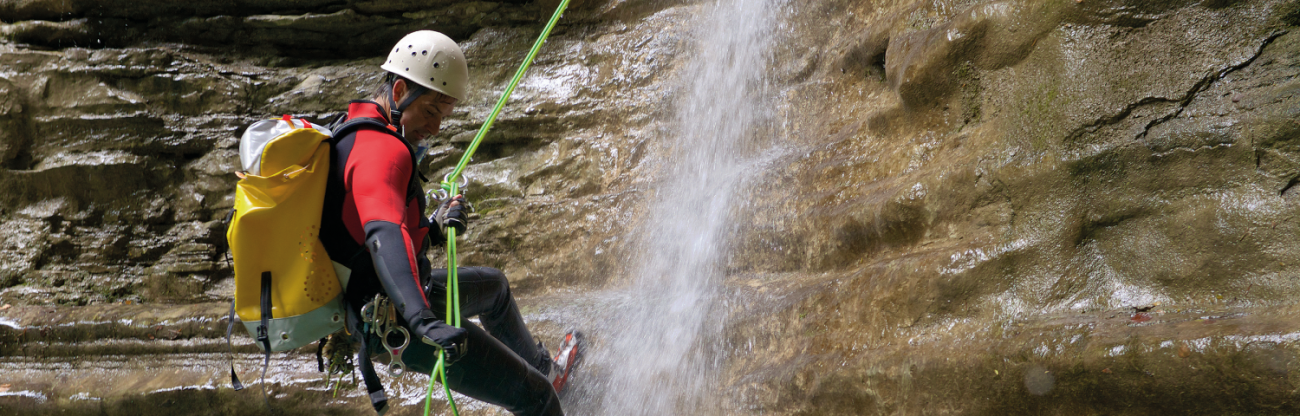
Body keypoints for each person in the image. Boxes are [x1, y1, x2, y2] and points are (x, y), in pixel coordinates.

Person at [317, 30, 579, 416]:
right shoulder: (383, 150)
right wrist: (423, 322)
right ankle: (545, 387)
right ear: (401, 89)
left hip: (389, 295)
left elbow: (362, 225)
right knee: (537, 400)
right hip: (393, 318)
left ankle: (546, 370)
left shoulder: (357, 128)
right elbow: (382, 233)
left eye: (443, 116)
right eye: (430, 112)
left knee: (495, 289)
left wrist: (434, 229)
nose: (436, 128)